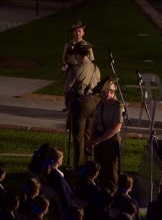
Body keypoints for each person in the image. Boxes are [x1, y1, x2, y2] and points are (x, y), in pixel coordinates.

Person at [65, 41, 101, 169]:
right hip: (94, 102)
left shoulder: (77, 68)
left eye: (75, 54)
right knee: (88, 134)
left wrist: (67, 103)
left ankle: (79, 165)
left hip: (80, 103)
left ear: (79, 54)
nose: (74, 57)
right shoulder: (96, 68)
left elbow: (68, 88)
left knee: (79, 136)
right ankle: (88, 161)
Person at [88, 77, 124, 195]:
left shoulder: (117, 106)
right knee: (99, 169)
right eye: (102, 93)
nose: (102, 95)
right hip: (99, 140)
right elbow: (94, 121)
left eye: (105, 92)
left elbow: (116, 127)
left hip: (111, 142)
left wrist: (99, 139)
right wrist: (92, 137)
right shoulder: (100, 104)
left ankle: (112, 195)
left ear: (112, 91)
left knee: (111, 172)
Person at [39, 147, 75, 219]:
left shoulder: (45, 172)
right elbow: (64, 195)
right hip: (64, 207)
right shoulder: (57, 177)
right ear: (58, 160)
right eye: (62, 158)